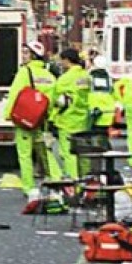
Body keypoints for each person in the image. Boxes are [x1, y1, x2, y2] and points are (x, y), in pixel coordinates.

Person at [3, 40, 57, 196]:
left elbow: (15, 94)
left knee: (25, 155)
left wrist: (8, 114)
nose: (23, 56)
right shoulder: (49, 76)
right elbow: (51, 100)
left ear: (33, 56)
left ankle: (29, 187)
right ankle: (57, 180)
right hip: (41, 120)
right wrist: (48, 117)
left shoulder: (25, 72)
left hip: (25, 120)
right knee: (46, 152)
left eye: (26, 53)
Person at [50, 48, 90, 179]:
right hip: (83, 120)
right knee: (83, 153)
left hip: (67, 120)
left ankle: (73, 181)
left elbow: (55, 100)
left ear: (67, 60)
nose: (61, 63)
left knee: (68, 153)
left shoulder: (65, 79)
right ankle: (87, 179)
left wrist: (51, 118)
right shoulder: (86, 76)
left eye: (62, 60)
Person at [87, 56, 116, 136]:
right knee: (103, 137)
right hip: (108, 113)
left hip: (93, 112)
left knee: (93, 137)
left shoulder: (88, 77)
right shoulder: (110, 78)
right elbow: (115, 94)